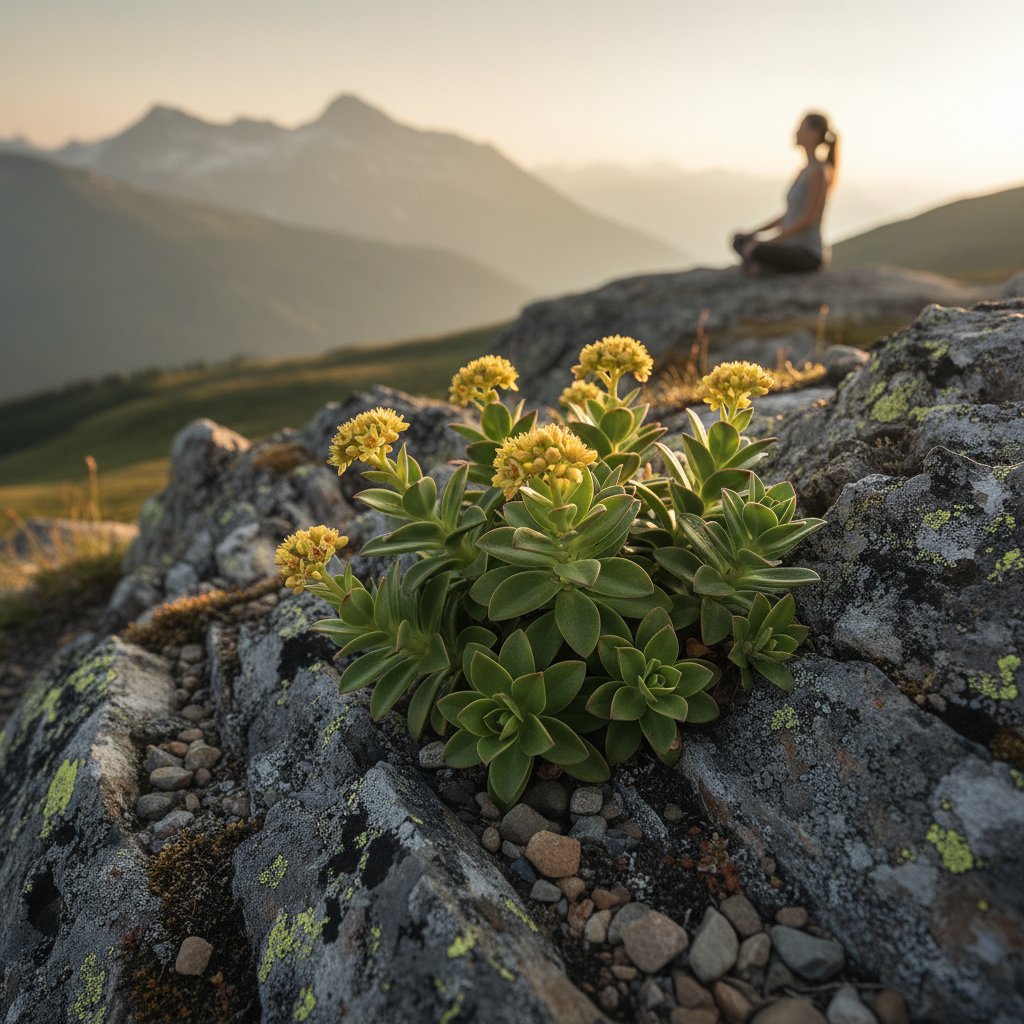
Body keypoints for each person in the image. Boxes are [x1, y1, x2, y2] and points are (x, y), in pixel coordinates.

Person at [732, 112, 837, 274]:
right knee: (739, 241)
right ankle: (761, 263)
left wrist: (771, 242)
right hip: (789, 246)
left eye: (801, 128)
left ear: (814, 134)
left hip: (807, 253)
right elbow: (788, 216)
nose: (795, 133)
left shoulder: (819, 171)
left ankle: (760, 264)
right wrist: (752, 232)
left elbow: (808, 220)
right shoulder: (804, 170)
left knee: (755, 250)